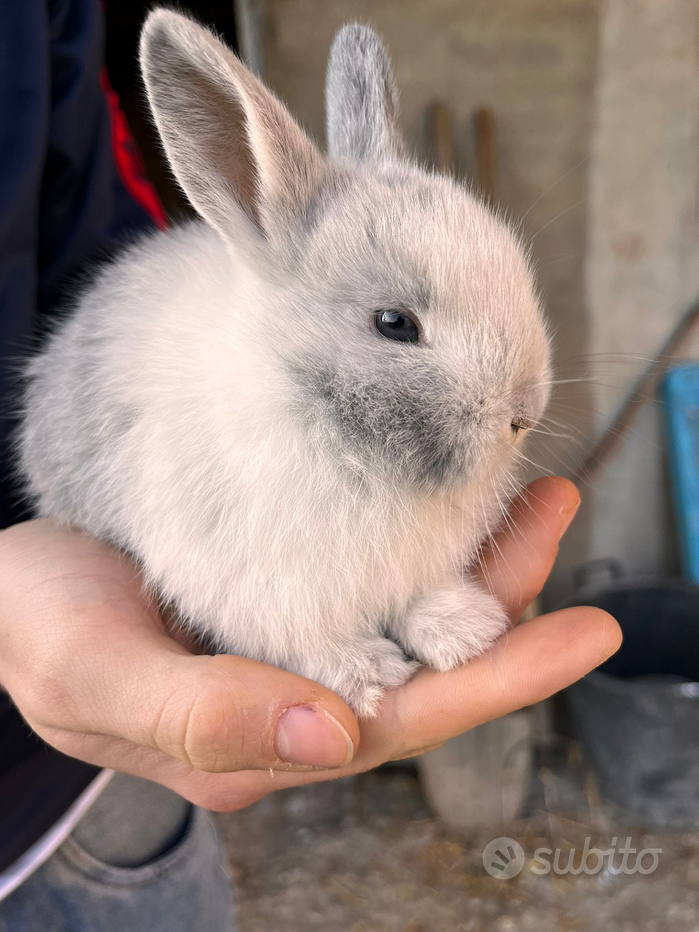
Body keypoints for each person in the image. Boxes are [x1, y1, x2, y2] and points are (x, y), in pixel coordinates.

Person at [0, 1, 622, 929]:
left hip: (77, 800)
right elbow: (226, 562)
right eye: (398, 329)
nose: (520, 413)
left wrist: (418, 587)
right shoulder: (227, 421)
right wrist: (308, 643)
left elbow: (78, 202)